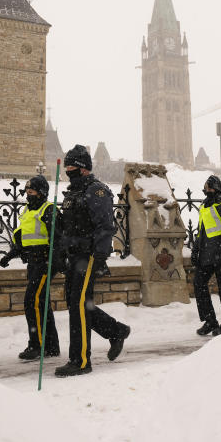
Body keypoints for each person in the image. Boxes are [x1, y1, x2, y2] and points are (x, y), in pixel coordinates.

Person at [55, 144, 131, 377]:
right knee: (76, 304)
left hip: (88, 257)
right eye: (66, 166)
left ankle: (80, 361)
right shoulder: (73, 193)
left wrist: (99, 256)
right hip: (73, 257)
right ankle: (116, 331)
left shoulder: (96, 191)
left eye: (71, 166)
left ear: (83, 168)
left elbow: (104, 225)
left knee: (78, 304)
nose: (68, 170)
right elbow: (69, 226)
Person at [0, 174, 64, 360]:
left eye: (32, 191)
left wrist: (55, 260)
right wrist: (10, 255)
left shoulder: (48, 210)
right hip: (33, 263)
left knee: (31, 301)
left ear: (41, 193)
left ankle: (36, 345)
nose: (28, 195)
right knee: (42, 303)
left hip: (45, 262)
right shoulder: (27, 211)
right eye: (27, 191)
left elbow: (58, 239)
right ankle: (51, 346)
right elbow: (23, 241)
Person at [191, 175, 221, 336]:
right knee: (199, 283)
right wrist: (195, 249)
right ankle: (210, 320)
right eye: (205, 189)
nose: (207, 191)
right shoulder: (205, 205)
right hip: (207, 253)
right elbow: (202, 230)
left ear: (216, 188)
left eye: (209, 188)